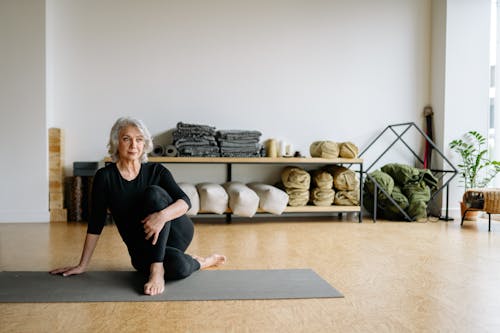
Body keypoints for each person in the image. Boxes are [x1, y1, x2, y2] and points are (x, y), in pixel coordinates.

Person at [50, 117, 226, 296]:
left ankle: (157, 268)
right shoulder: (105, 177)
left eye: (139, 139)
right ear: (116, 142)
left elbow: (185, 202)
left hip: (176, 233)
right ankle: (202, 262)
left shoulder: (156, 170)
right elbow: (96, 222)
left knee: (154, 194)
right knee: (178, 267)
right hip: (141, 248)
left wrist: (162, 216)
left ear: (145, 144)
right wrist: (82, 265)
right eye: (127, 139)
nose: (134, 145)